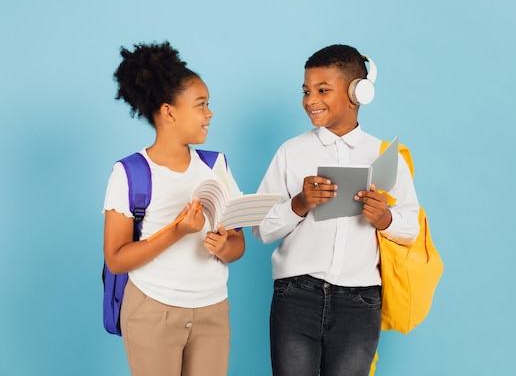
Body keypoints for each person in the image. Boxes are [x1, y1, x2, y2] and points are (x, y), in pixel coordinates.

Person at [252, 44, 421, 376]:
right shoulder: (291, 152)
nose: (310, 100)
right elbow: (261, 229)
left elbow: (411, 227)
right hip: (296, 295)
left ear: (357, 93)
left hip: (360, 302)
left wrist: (383, 218)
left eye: (322, 90)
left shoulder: (385, 156)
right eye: (306, 91)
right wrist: (299, 204)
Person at [103, 41, 245, 376]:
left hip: (212, 309)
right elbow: (116, 258)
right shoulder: (129, 173)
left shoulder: (217, 167)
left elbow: (238, 244)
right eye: (201, 104)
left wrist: (225, 246)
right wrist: (177, 231)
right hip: (152, 309)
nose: (209, 113)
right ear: (169, 111)